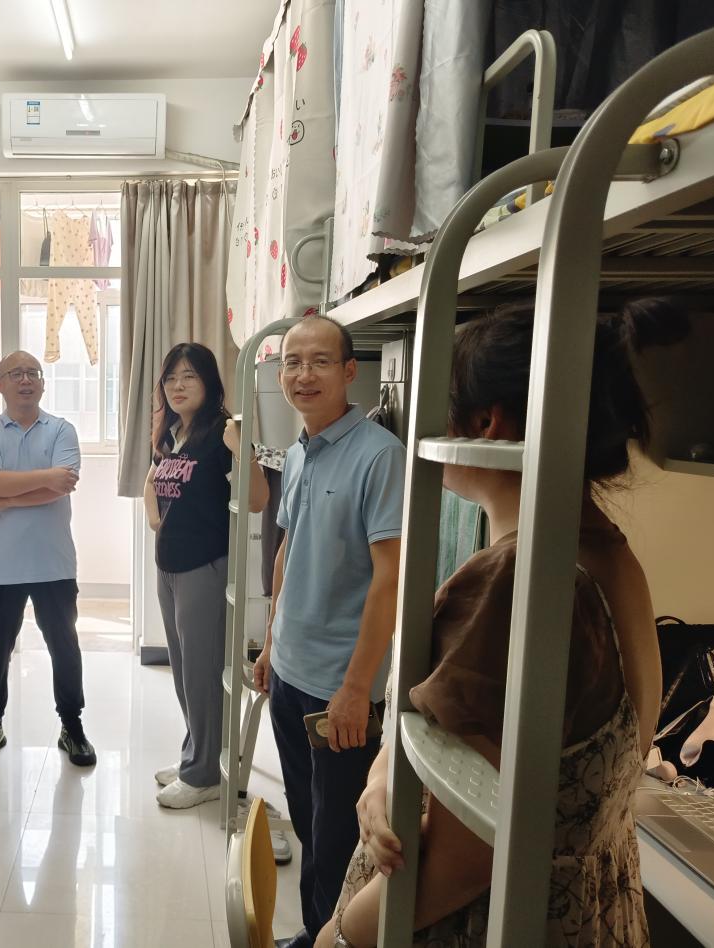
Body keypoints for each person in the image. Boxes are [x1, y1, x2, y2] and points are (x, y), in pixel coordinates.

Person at [315, 301, 678, 948]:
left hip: (483, 920)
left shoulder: (518, 582)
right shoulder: (606, 556)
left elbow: (466, 859)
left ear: (486, 423)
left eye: (439, 402)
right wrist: (383, 774)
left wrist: (341, 934)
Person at [253, 315, 405, 948]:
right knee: (308, 821)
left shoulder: (380, 455)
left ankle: (333, 937)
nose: (303, 374)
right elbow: (287, 550)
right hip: (289, 673)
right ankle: (314, 931)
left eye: (319, 361)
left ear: (348, 371)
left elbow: (389, 578)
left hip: (337, 689)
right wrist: (271, 642)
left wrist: (355, 689)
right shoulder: (297, 451)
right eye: (292, 362)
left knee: (340, 835)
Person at [144, 342, 268, 809]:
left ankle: (205, 777)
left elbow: (257, 500)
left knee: (202, 673)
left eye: (189, 376)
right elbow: (154, 484)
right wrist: (155, 518)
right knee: (183, 672)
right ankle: (197, 756)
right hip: (169, 566)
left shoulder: (224, 430)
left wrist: (243, 451)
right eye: (170, 378)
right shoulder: (173, 433)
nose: (177, 386)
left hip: (205, 567)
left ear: (209, 382)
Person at [0, 350, 96, 768]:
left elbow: (62, 486)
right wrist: (42, 479)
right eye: (15, 373)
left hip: (54, 562)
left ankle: (72, 726)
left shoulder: (61, 429)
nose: (25, 380)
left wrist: (6, 499)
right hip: (1, 566)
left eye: (32, 373)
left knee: (64, 646)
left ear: (42, 383)